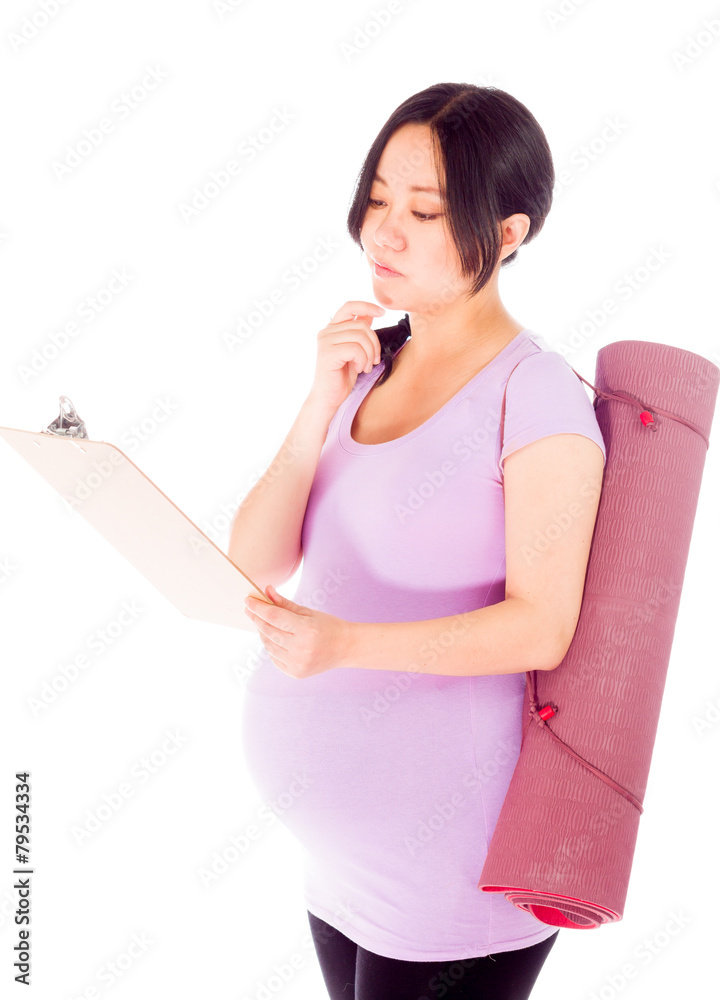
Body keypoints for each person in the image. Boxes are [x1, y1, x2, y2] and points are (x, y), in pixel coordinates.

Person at [232, 83, 606, 999]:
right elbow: (258, 559)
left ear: (507, 234)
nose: (383, 232)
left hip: (450, 870)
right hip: (339, 869)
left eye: (425, 211)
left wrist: (345, 646)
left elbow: (542, 626)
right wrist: (319, 398)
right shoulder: (371, 367)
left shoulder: (536, 394)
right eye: (378, 199)